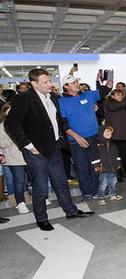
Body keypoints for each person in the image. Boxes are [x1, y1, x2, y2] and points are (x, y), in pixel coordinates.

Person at [4, 69, 94, 231]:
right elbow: (11, 125)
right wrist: (29, 146)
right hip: (35, 151)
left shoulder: (52, 96)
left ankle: (71, 210)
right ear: (34, 83)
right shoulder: (24, 99)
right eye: (45, 82)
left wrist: (60, 139)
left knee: (61, 182)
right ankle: (41, 218)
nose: (50, 84)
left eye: (49, 81)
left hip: (54, 147)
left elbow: (56, 120)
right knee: (41, 186)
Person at [58, 74, 103, 201]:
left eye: (77, 81)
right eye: (73, 83)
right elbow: (63, 124)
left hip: (94, 137)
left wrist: (106, 79)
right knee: (82, 168)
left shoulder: (88, 95)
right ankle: (87, 192)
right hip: (76, 141)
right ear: (66, 86)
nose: (77, 84)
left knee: (95, 165)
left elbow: (105, 90)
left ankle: (96, 190)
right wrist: (76, 137)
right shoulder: (61, 102)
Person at [0, 103, 29, 214]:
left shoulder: (24, 122)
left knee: (34, 178)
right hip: (14, 157)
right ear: (4, 112)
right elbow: (2, 143)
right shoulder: (2, 126)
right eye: (9, 111)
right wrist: (14, 136)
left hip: (29, 154)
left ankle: (39, 198)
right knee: (19, 180)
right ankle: (20, 202)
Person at [91, 125, 123, 205]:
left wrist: (118, 163)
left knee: (113, 182)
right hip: (103, 168)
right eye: (106, 132)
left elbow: (117, 155)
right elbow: (94, 156)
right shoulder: (98, 145)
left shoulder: (113, 145)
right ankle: (101, 197)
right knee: (103, 184)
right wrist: (96, 166)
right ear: (101, 133)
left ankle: (113, 194)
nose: (109, 134)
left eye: (110, 133)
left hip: (112, 168)